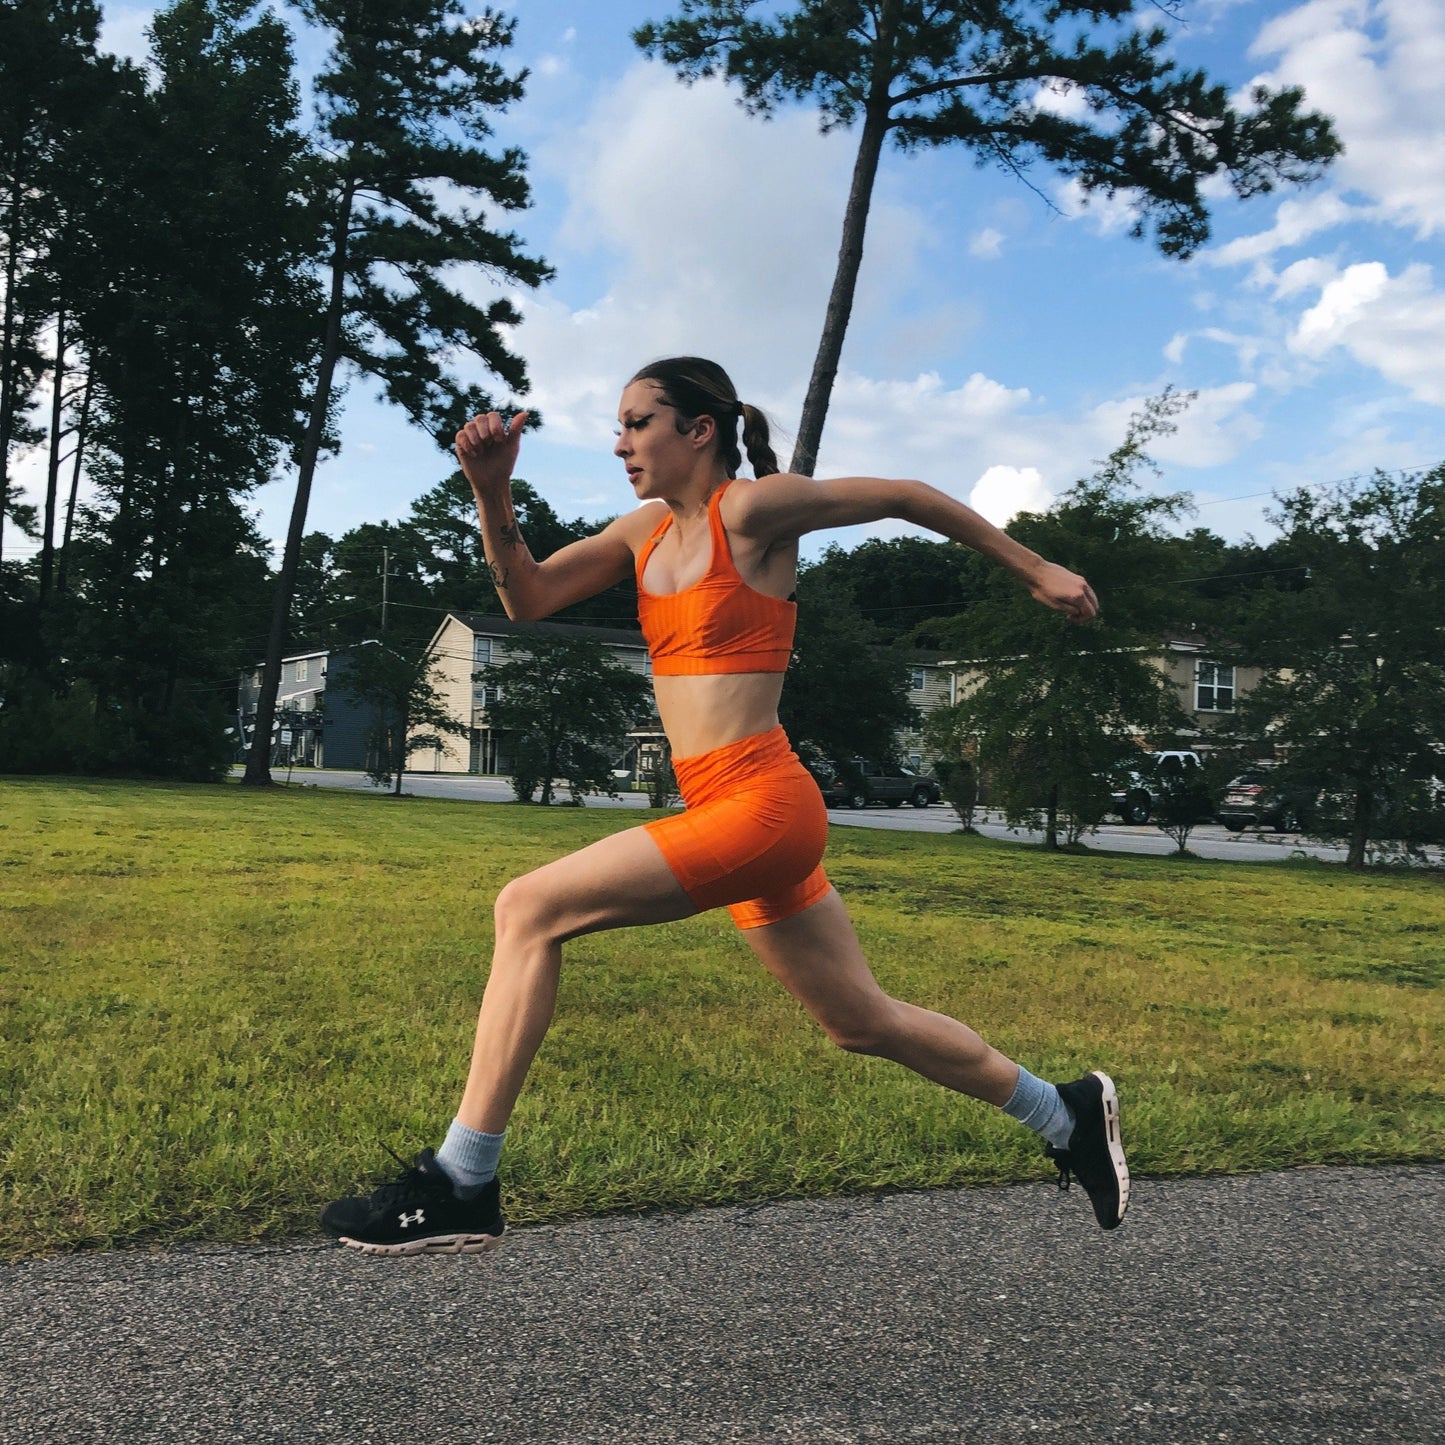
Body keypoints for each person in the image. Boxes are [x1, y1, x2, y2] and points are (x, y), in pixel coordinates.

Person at [321, 356, 1127, 1254]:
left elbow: (906, 494)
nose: (620, 441)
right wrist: (491, 492)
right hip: (728, 810)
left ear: (698, 431)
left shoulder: (747, 510)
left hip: (763, 800)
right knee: (860, 1021)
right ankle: (1065, 1114)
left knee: (527, 908)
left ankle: (463, 1178)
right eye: (619, 425)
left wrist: (1034, 568)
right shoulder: (641, 536)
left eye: (638, 422)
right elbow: (531, 595)